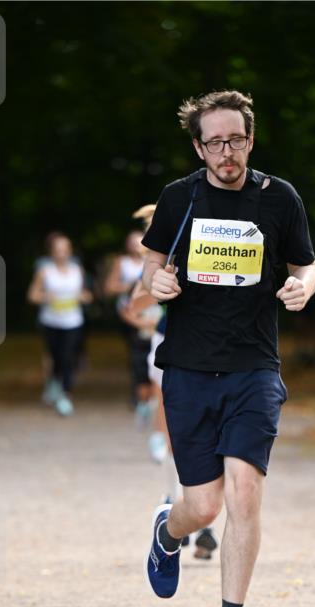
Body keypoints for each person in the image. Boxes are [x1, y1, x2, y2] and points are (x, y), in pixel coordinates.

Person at [142, 90, 315, 607]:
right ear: (199, 146)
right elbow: (152, 264)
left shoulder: (280, 199)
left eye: (236, 139)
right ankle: (169, 533)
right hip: (190, 370)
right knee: (204, 507)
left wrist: (304, 287)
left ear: (250, 138)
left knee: (245, 494)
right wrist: (158, 284)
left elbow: (306, 265)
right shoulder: (180, 198)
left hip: (254, 369)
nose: (227, 152)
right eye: (215, 142)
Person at [124, 204, 218, 561]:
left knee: (211, 434)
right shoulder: (160, 259)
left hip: (212, 351)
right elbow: (135, 304)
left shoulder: (213, 250)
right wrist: (165, 282)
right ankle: (171, 498)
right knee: (175, 433)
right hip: (168, 349)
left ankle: (203, 520)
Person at [27, 232, 92, 417]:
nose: (61, 253)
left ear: (70, 251)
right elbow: (32, 295)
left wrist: (83, 297)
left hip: (73, 321)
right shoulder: (45, 271)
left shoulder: (77, 270)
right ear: (52, 252)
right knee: (55, 358)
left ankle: (65, 395)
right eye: (58, 250)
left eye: (65, 250)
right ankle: (53, 384)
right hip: (51, 322)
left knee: (68, 358)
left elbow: (87, 294)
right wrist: (46, 296)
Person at [104, 228, 155, 425]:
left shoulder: (156, 261)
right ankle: (139, 395)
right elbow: (109, 286)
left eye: (139, 241)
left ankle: (151, 396)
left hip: (152, 314)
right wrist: (131, 286)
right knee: (137, 354)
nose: (136, 246)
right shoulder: (122, 262)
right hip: (131, 313)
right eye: (132, 242)